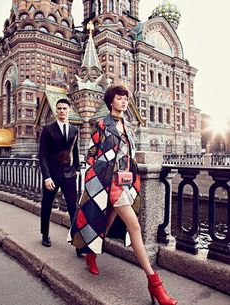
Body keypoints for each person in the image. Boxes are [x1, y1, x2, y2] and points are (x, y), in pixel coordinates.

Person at [68, 85, 177, 305]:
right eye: (120, 98)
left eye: (126, 98)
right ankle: (154, 282)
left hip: (123, 183)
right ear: (111, 102)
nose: (125, 101)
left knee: (106, 222)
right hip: (103, 181)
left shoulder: (128, 125)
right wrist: (94, 177)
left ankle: (91, 253)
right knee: (133, 226)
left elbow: (129, 155)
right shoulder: (101, 124)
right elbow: (91, 153)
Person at [39, 98, 80, 247]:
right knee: (47, 205)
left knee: (73, 208)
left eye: (64, 108)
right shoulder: (48, 129)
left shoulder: (75, 130)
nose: (62, 111)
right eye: (59, 109)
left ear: (69, 110)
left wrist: (77, 168)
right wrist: (47, 177)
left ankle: (77, 239)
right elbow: (42, 155)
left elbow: (75, 151)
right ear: (56, 111)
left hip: (69, 175)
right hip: (52, 175)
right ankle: (45, 234)